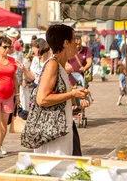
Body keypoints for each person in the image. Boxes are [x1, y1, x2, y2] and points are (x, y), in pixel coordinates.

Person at [33, 24, 89, 155]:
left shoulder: (60, 66)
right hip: (55, 133)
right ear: (65, 43)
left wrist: (76, 99)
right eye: (74, 40)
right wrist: (72, 94)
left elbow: (58, 96)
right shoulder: (52, 65)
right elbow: (42, 99)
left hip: (63, 127)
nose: (77, 44)